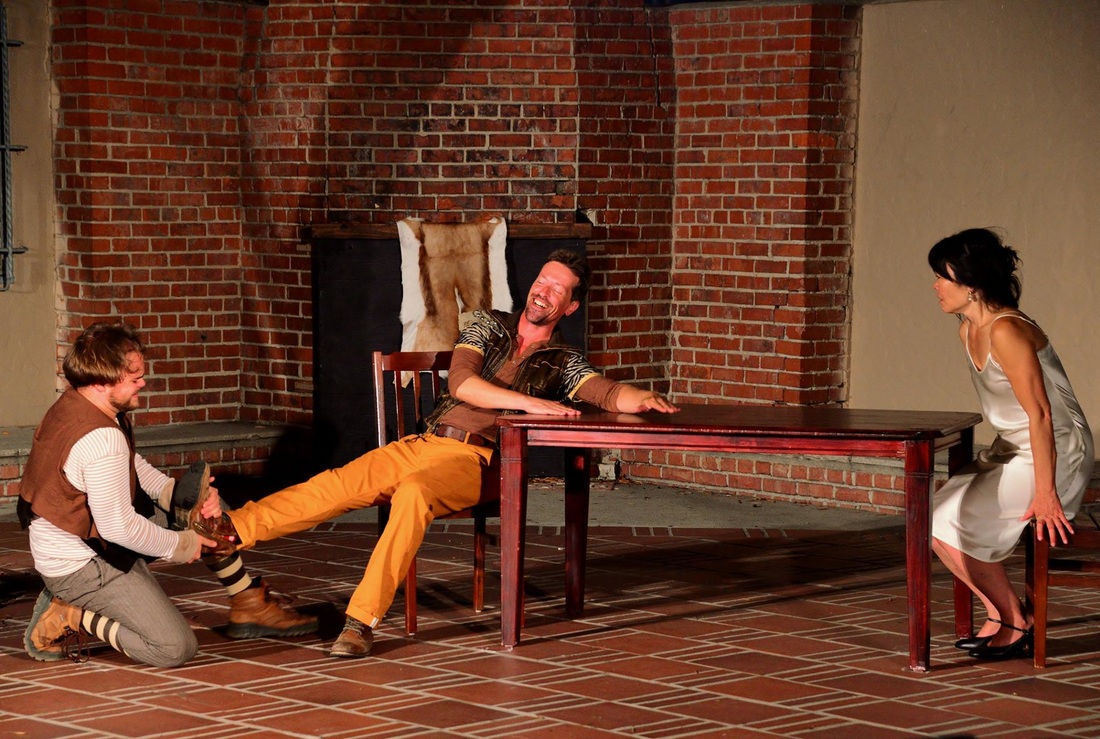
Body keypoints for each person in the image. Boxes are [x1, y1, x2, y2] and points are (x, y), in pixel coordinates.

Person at [193, 249, 680, 658]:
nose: (543, 292)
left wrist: (645, 398)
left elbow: (609, 393)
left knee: (413, 494)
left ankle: (360, 622)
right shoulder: (487, 325)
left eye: (557, 289)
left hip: (477, 461)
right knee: (337, 483)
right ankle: (232, 530)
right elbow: (463, 383)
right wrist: (532, 403)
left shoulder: (563, 362)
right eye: (541, 281)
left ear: (569, 306)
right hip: (424, 443)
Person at [19, 322, 317, 667]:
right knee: (173, 648)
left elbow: (131, 463)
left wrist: (177, 497)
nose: (143, 383)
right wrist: (182, 544)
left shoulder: (81, 403)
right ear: (101, 382)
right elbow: (119, 528)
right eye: (134, 378)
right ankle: (72, 614)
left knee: (207, 510)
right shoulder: (101, 438)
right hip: (83, 567)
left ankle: (248, 602)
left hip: (94, 540)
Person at [928, 228, 1093, 661]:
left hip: (1055, 449)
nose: (935, 286)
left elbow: (1042, 416)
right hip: (1013, 447)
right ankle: (1005, 616)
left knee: (952, 523)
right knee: (932, 518)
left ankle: (1013, 622)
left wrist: (1046, 492)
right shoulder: (968, 330)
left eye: (942, 276)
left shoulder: (1007, 330)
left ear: (971, 283)